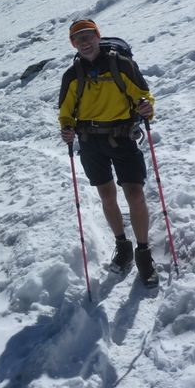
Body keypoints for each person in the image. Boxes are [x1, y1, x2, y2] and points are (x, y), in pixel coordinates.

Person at [57, 18, 159, 286]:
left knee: (135, 195)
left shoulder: (121, 65)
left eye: (89, 36)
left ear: (98, 36)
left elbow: (144, 95)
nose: (86, 42)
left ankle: (144, 253)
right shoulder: (72, 76)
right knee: (107, 195)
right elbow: (66, 112)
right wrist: (67, 128)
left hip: (123, 136)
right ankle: (122, 245)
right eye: (79, 39)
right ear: (73, 44)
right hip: (91, 143)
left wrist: (147, 108)